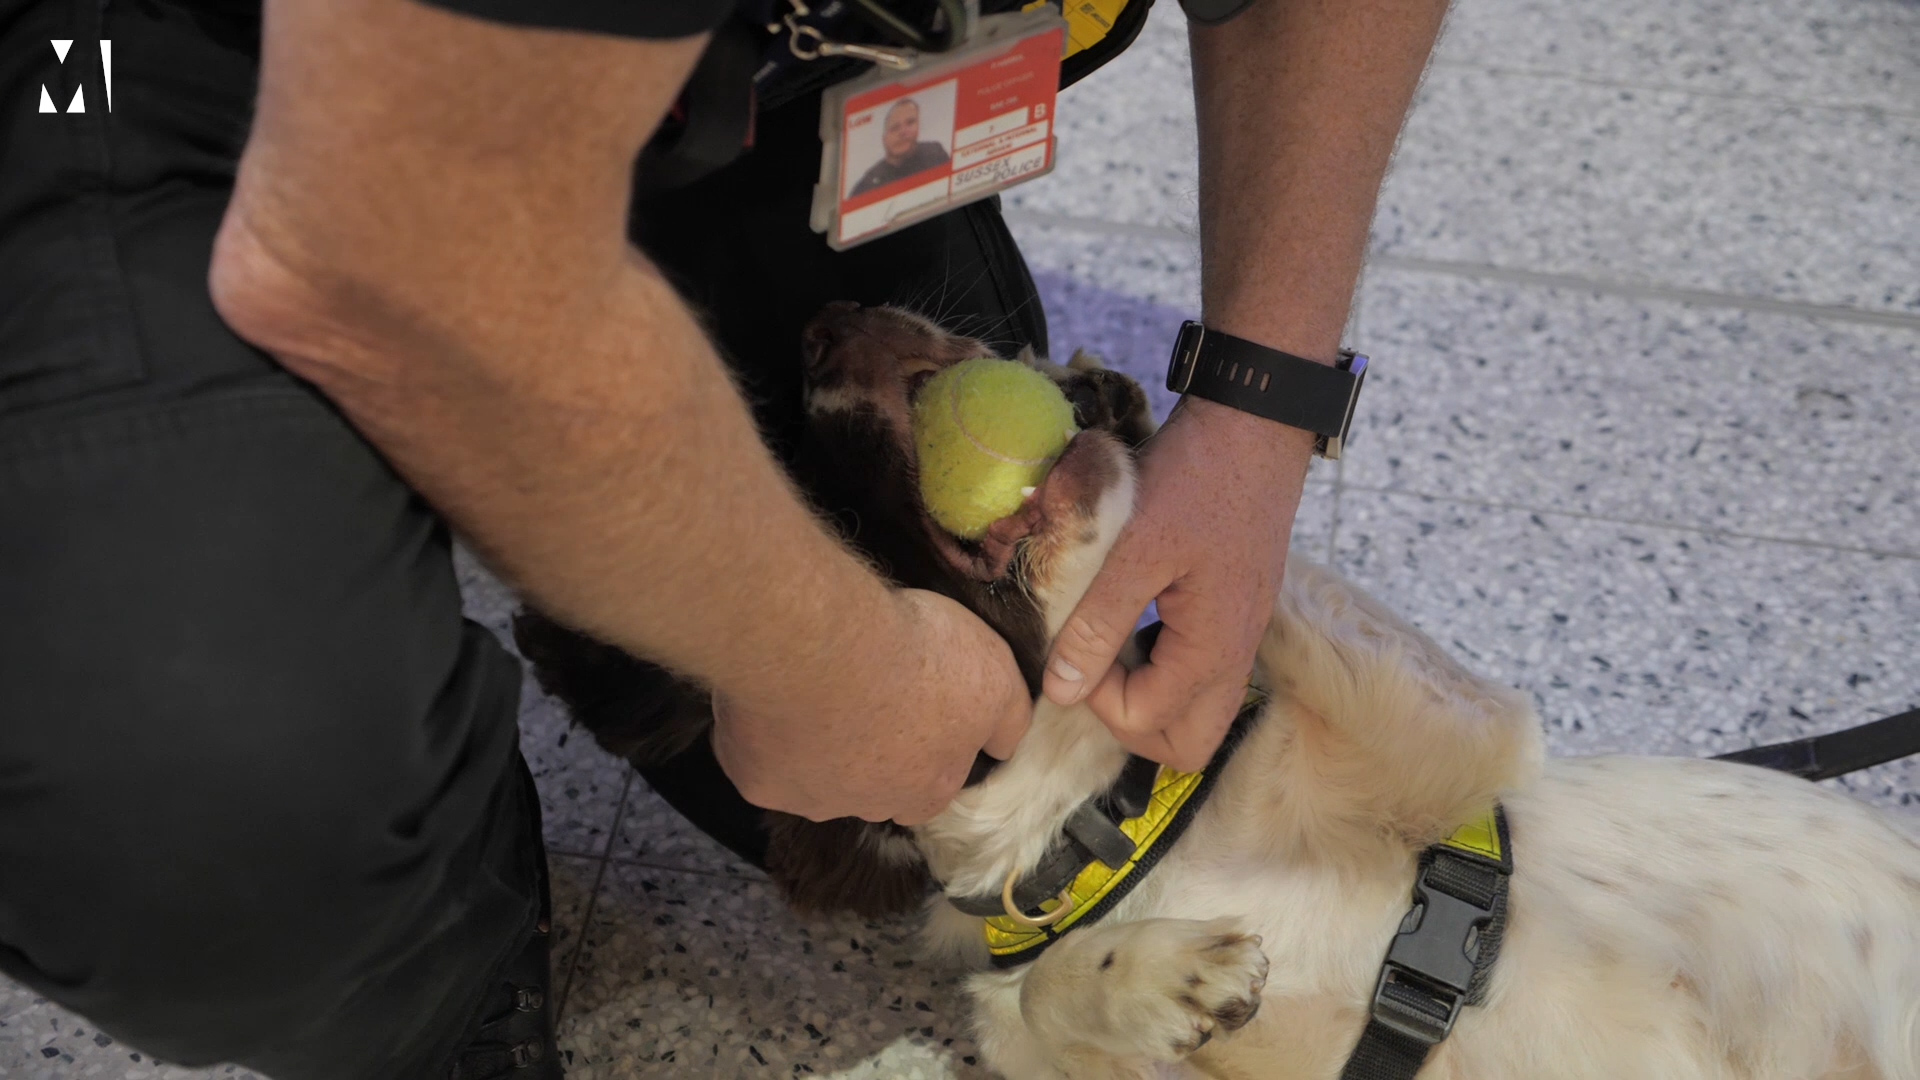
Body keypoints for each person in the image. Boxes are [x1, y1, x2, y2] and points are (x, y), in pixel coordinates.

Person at [0, 0, 1452, 1076]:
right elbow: (378, 251)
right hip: (134, 65)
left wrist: (1260, 409)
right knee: (206, 813)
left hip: (747, 70)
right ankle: (433, 983)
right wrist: (833, 663)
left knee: (874, 785)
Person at [848, 98, 953, 197]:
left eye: (910, 123)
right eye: (895, 128)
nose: (903, 132)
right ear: (884, 139)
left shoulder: (935, 155)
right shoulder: (868, 184)